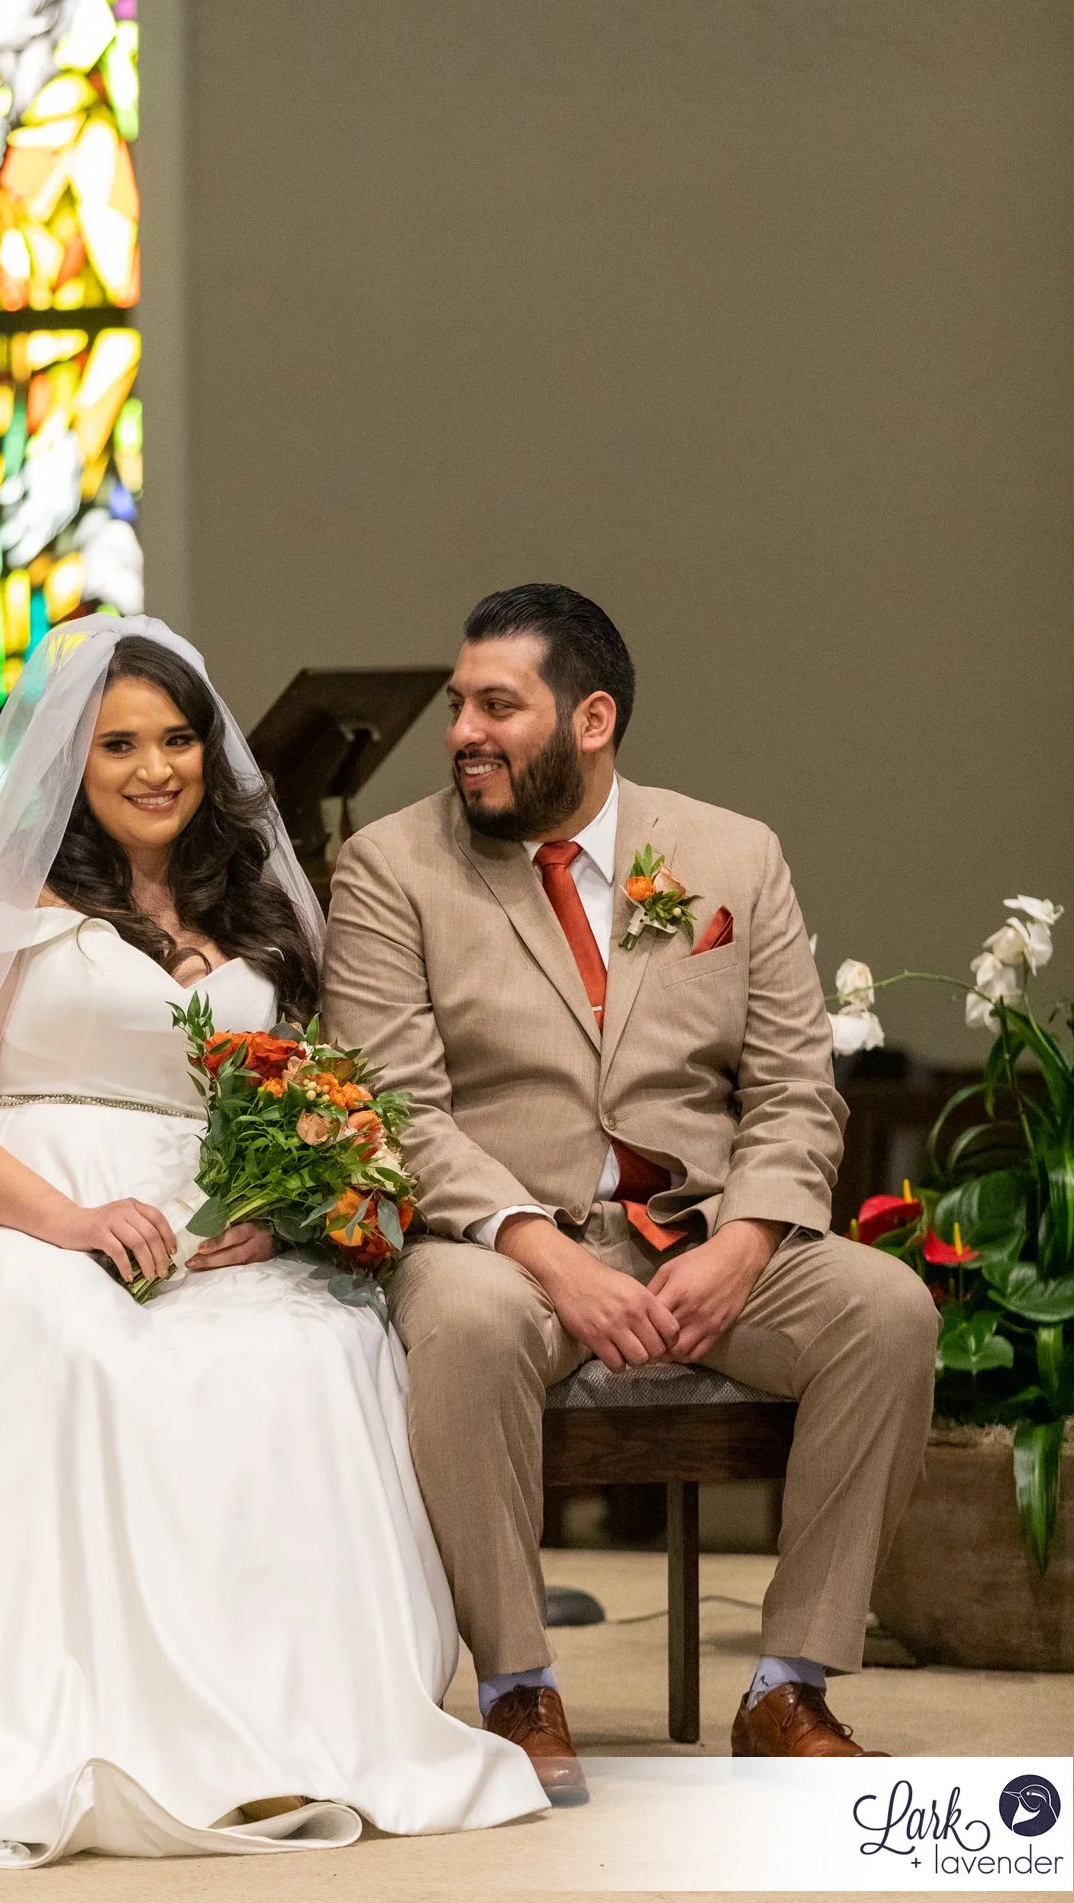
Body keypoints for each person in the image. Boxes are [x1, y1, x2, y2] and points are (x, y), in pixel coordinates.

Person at [0, 616, 543, 1868]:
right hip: (17, 1202)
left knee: (315, 1360)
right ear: (69, 764)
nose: (156, 769)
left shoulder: (257, 905)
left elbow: (310, 1093)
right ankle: (62, 1714)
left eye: (178, 740)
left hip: (211, 1223)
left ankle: (277, 1725)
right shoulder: (2, 899)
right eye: (119, 746)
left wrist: (280, 1203)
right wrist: (72, 1221)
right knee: (82, 1361)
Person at [323, 583, 939, 1796]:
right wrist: (550, 1258)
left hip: (703, 1231)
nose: (463, 734)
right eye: (458, 706)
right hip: (499, 1243)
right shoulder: (390, 866)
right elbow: (395, 1107)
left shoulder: (733, 855)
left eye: (498, 707)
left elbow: (795, 1089)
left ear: (590, 719)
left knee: (888, 1312)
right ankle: (516, 1688)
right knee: (467, 1323)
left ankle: (788, 1687)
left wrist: (746, 1244)